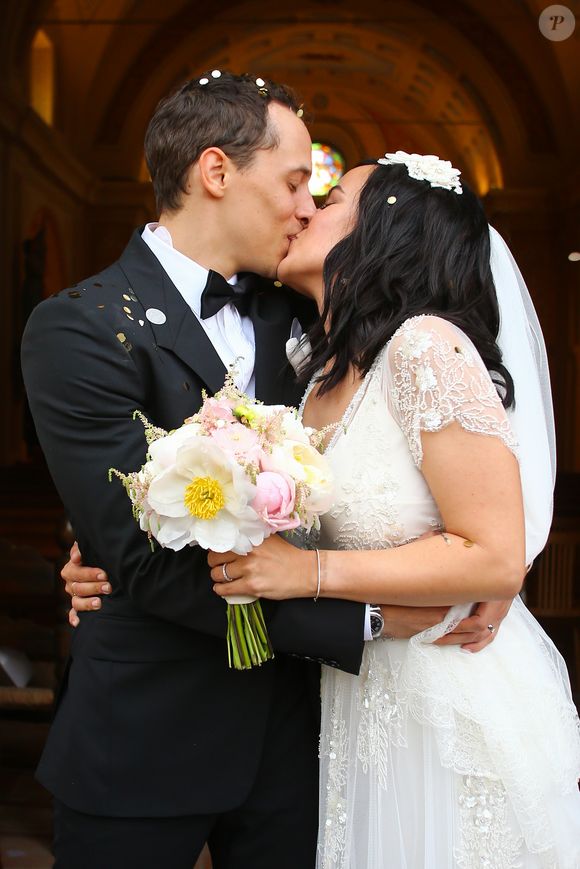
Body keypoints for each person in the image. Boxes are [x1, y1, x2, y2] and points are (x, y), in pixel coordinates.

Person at [38, 72, 509, 867]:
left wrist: (496, 565)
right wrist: (371, 623)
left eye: (320, 195)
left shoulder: (316, 319)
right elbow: (143, 558)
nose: (305, 206)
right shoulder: (78, 326)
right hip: (146, 737)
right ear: (216, 172)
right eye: (297, 182)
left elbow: (448, 455)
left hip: (307, 747)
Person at [205, 158, 580, 867]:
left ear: (387, 227)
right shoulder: (315, 372)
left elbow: (495, 555)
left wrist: (306, 571)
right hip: (359, 696)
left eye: (332, 195)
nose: (308, 207)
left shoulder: (427, 348)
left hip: (449, 699)